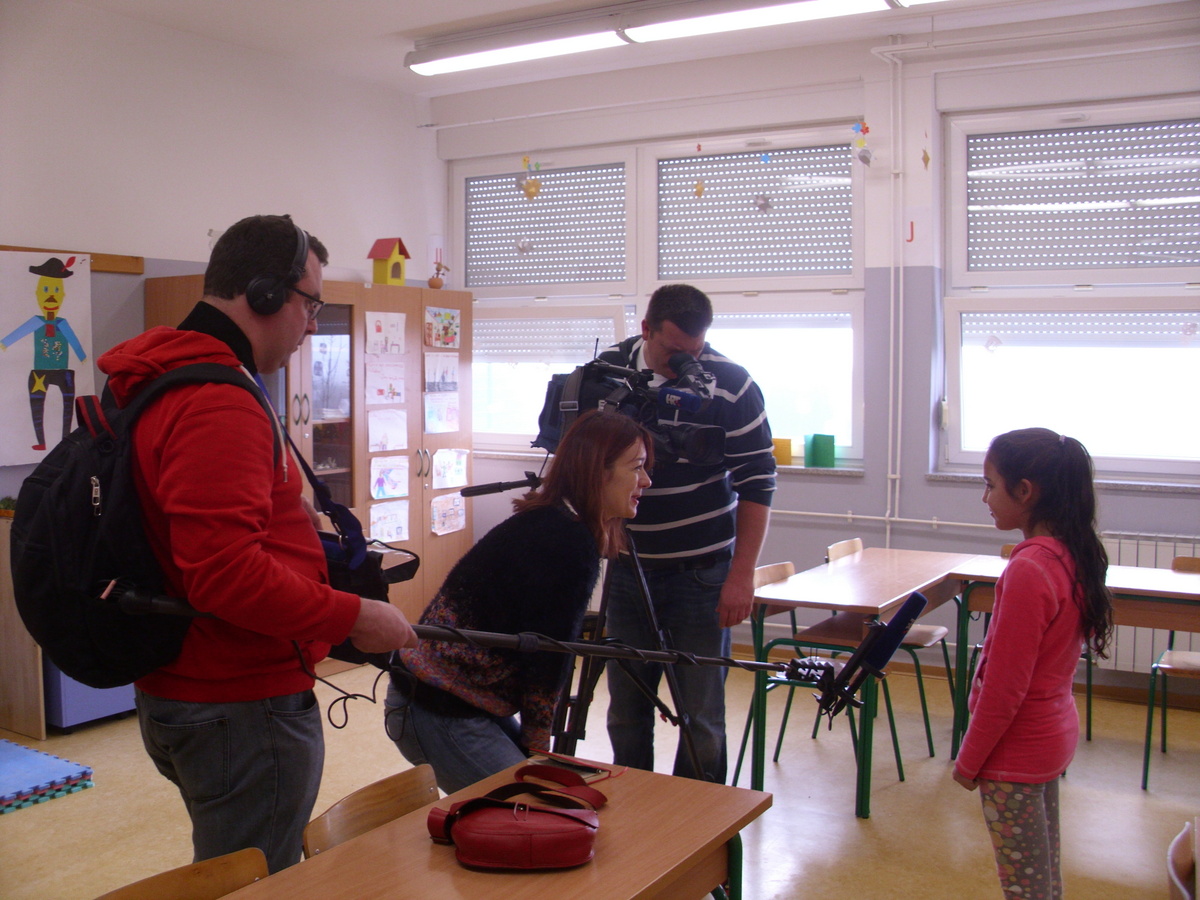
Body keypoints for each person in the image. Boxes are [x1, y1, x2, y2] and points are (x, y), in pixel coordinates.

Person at [98, 214, 418, 873]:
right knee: (256, 881)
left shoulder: (167, 375)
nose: (312, 325)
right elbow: (225, 574)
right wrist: (354, 616)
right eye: (311, 304)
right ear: (266, 296)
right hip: (239, 699)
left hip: (190, 685)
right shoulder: (219, 401)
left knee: (234, 869)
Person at [385, 409, 654, 793]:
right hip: (435, 706)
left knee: (546, 799)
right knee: (536, 807)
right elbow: (548, 658)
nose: (646, 481)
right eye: (637, 467)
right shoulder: (566, 542)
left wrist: (535, 754)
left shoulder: (557, 522)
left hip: (454, 698)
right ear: (599, 472)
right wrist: (539, 751)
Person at [598, 283, 775, 783]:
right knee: (625, 711)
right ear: (645, 329)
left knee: (702, 717)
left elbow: (759, 482)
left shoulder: (731, 384)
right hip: (629, 571)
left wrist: (741, 576)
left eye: (693, 353)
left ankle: (701, 820)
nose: (684, 365)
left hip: (703, 575)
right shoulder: (608, 371)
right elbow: (587, 462)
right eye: (673, 352)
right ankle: (631, 810)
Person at [954, 427, 1114, 900]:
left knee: (1025, 887)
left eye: (990, 485)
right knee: (1042, 877)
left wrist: (968, 759)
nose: (984, 498)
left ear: (1025, 492)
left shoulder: (1028, 569)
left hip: (1016, 751)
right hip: (1049, 737)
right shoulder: (1069, 553)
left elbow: (1005, 687)